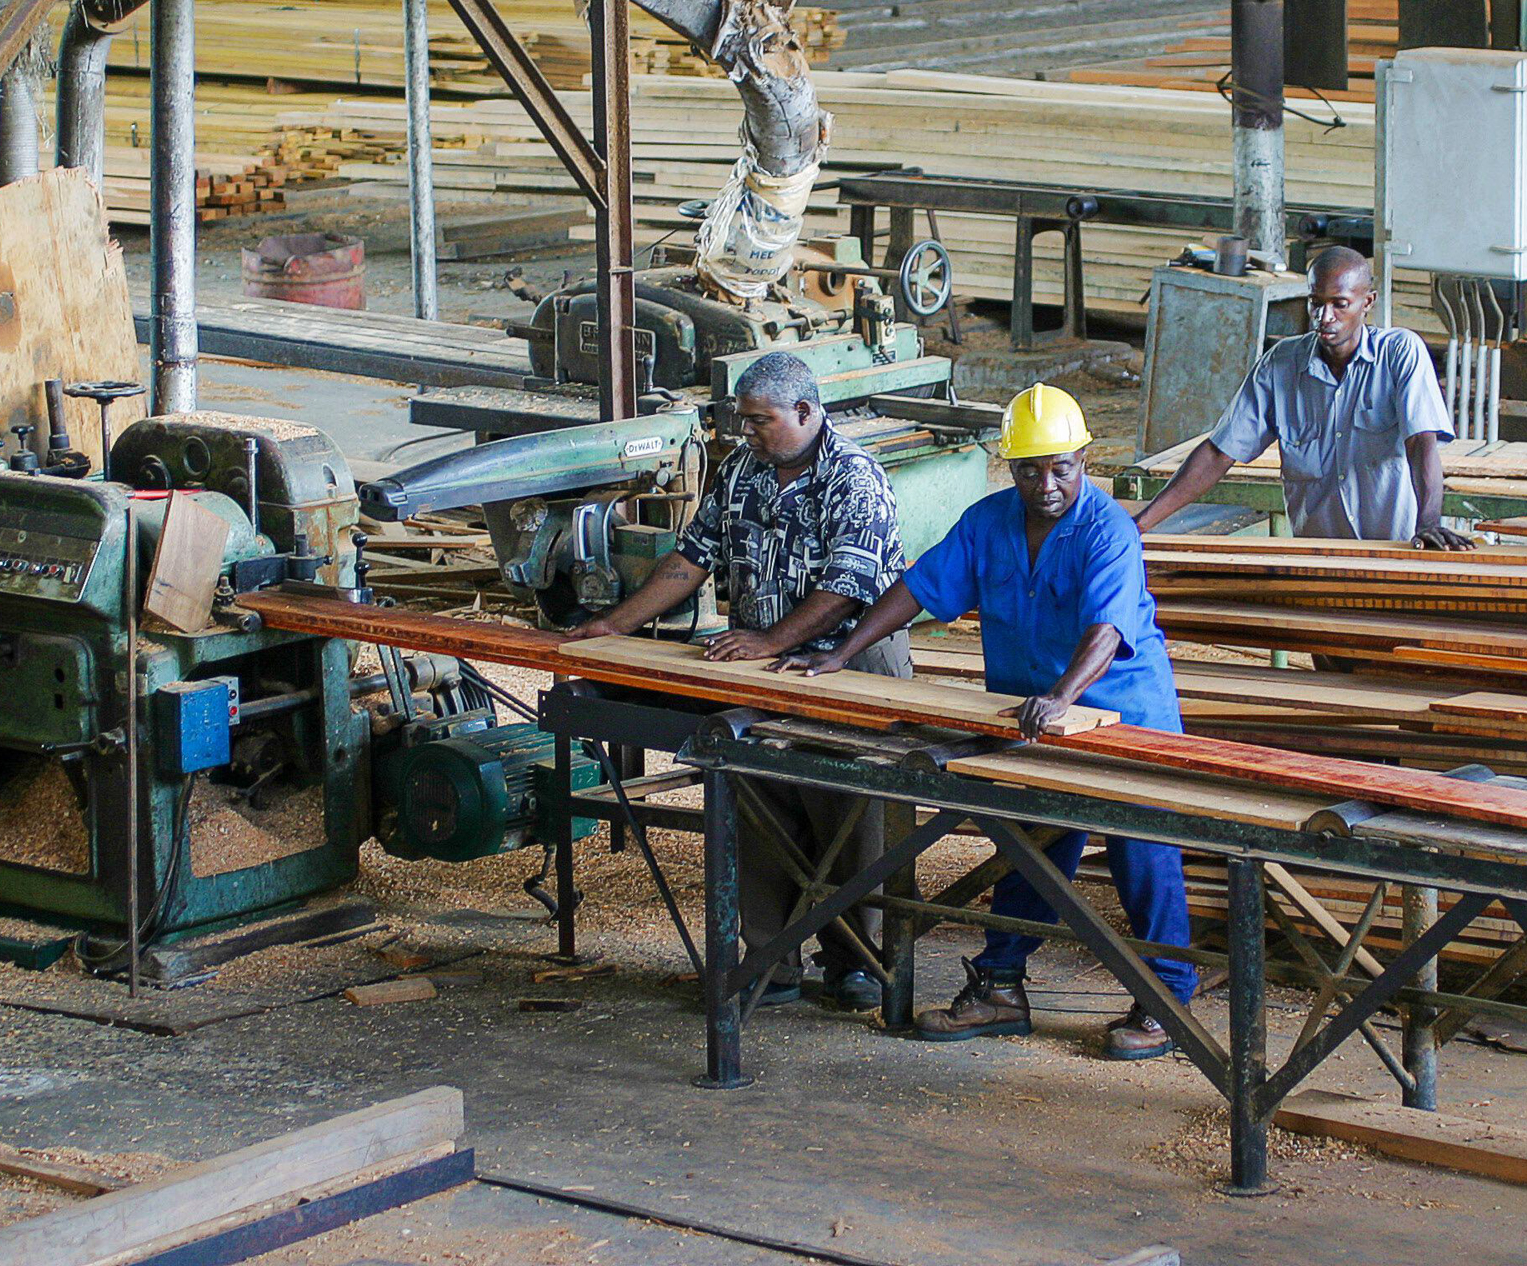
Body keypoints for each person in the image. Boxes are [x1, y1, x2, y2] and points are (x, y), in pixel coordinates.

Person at [781, 383, 1193, 1061]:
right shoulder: (989, 522)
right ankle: (1002, 985)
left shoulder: (1107, 530)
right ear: (1011, 466)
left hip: (1124, 718)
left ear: (1086, 457)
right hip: (1033, 720)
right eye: (1030, 467)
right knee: (1031, 843)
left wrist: (1064, 696)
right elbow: (918, 585)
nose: (1047, 482)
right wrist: (841, 652)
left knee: (1142, 850)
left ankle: (1166, 997)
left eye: (1061, 465)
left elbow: (1108, 627)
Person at [565, 350, 906, 1010]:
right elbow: (691, 557)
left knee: (852, 812)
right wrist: (616, 623)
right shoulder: (742, 471)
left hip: (849, 663)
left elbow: (847, 586)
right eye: (742, 421)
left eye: (760, 421)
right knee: (759, 802)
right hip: (763, 663)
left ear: (806, 411)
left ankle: (859, 961)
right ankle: (771, 956)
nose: (747, 433)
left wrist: (771, 639)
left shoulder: (854, 476)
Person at [1134, 244, 1473, 550]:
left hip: (1393, 553)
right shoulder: (1280, 365)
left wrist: (1428, 523)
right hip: (1318, 561)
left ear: (1366, 302)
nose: (1324, 318)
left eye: (1340, 305)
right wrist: (1141, 525)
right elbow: (1219, 452)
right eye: (1316, 303)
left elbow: (1421, 442)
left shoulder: (1400, 352)